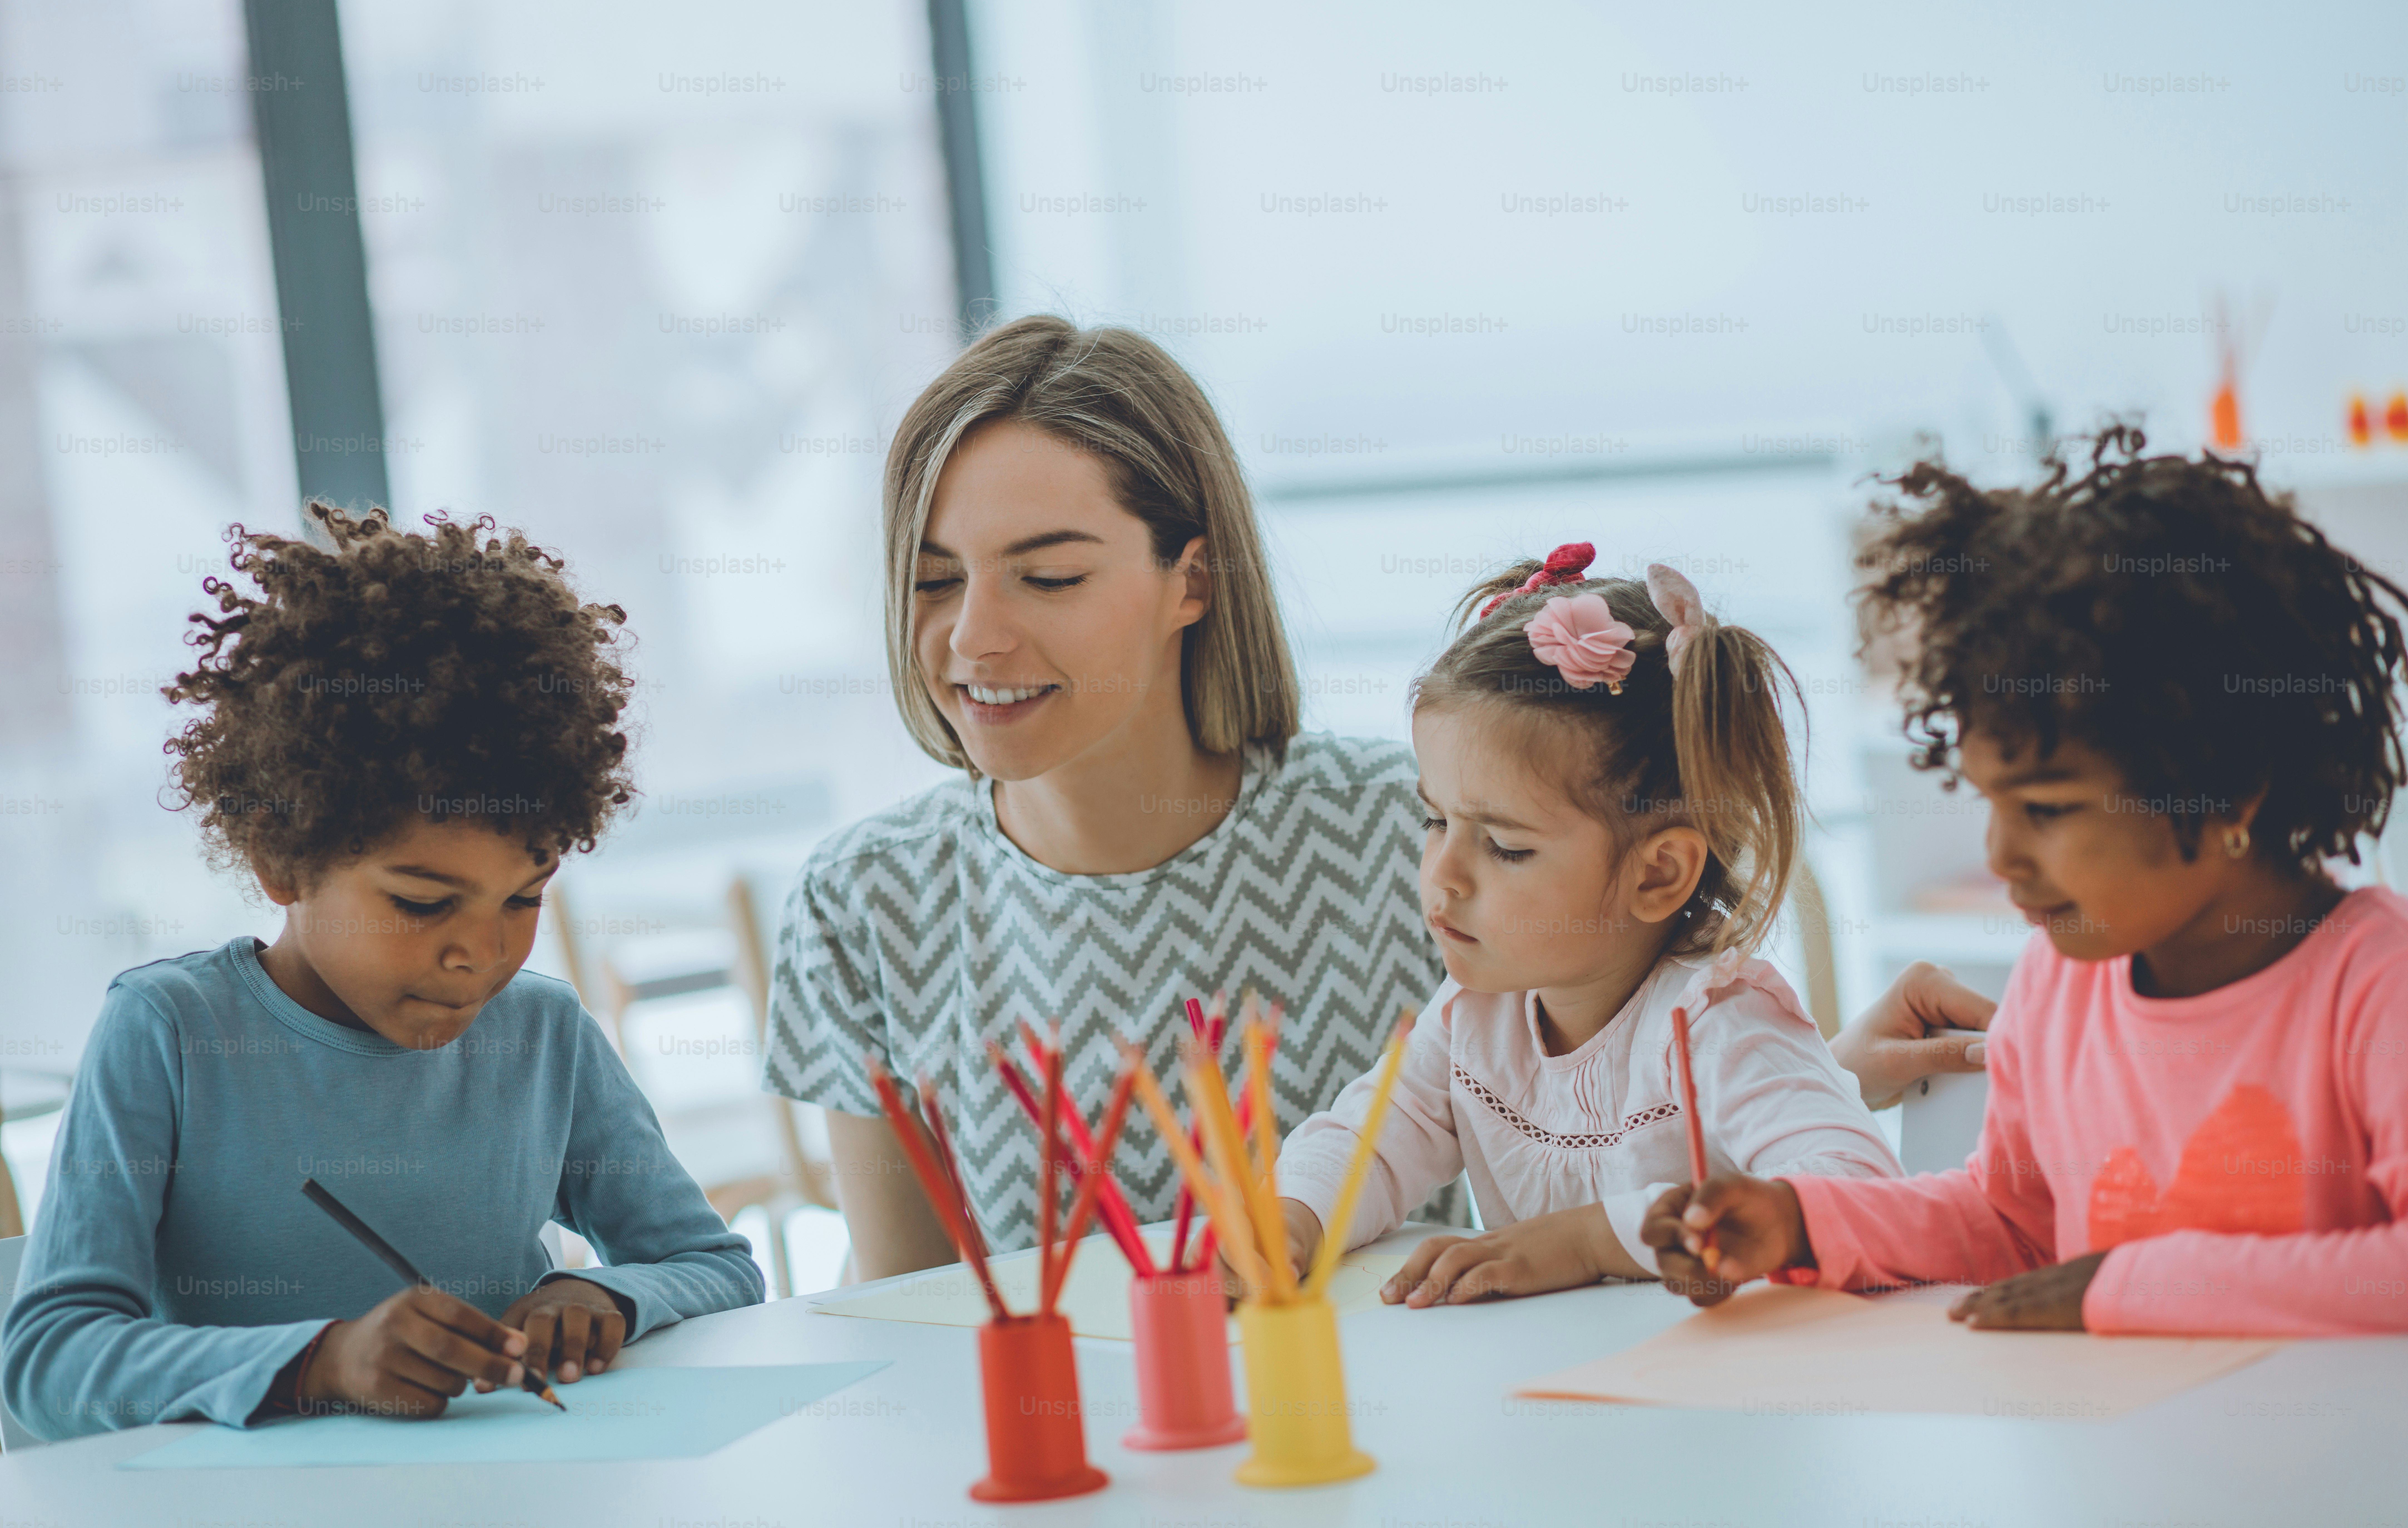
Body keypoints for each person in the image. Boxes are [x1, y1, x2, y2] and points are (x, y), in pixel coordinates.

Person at [763, 314, 1994, 1278]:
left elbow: (1600, 1090)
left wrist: (1807, 1081)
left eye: (1046, 574)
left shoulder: (1409, 819)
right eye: (931, 581)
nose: (972, 637)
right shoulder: (860, 906)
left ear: (1191, 580)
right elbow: (914, 1324)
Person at [1, 508, 762, 1440]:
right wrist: (323, 1362)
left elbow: (714, 1263)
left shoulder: (543, 1033)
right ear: (281, 859)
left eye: (523, 899)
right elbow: (47, 1363)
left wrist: (599, 1295)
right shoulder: (170, 1033)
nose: (478, 954)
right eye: (423, 903)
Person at [1648, 430, 2408, 1334]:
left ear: (2229, 788)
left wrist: (2119, 1288)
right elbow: (2010, 1224)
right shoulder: (2060, 981)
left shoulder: (2374, 989)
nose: (2000, 855)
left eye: (2046, 809)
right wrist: (1800, 1219)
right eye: (1990, 802)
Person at [1272, 549, 1900, 1305]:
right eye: (1435, 819)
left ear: (1657, 874)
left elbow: (1859, 1197)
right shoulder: (1474, 1016)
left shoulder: (1724, 1024)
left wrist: (1593, 1241)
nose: (1443, 873)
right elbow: (1368, 1141)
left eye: (1505, 846)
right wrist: (1293, 1218)